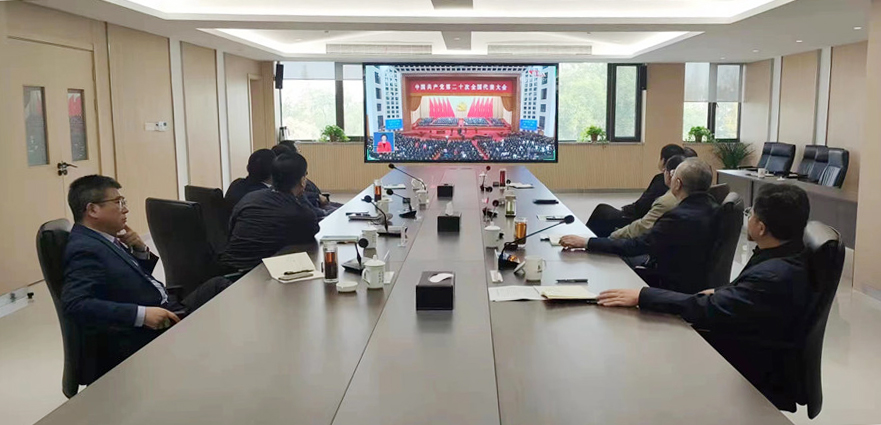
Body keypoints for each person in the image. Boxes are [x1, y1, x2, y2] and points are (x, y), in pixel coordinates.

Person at [597, 184, 812, 410]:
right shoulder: (785, 254)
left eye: (751, 214)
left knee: (648, 340)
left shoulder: (772, 276)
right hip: (752, 337)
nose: (748, 218)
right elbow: (744, 298)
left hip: (751, 360)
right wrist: (721, 292)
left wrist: (643, 296)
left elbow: (706, 308)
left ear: (761, 227)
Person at [63, 175, 232, 381]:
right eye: (118, 202)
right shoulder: (85, 248)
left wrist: (140, 250)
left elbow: (127, 280)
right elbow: (76, 304)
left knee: (218, 286)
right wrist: (142, 315)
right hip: (147, 331)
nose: (125, 209)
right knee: (223, 293)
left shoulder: (102, 239)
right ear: (92, 210)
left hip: (165, 308)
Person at [562, 158, 719, 294]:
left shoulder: (677, 216)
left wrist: (587, 242)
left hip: (667, 282)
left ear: (677, 184)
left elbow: (636, 246)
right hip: (694, 278)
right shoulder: (715, 208)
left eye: (673, 175)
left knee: (609, 258)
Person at [220, 153, 320, 270]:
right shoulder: (300, 214)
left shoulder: (250, 198)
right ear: (302, 181)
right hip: (255, 274)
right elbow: (310, 238)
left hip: (225, 267)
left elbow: (231, 228)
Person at [585, 144, 686, 237]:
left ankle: (588, 241)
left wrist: (627, 211)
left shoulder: (661, 183)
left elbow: (643, 207)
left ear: (663, 161)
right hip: (645, 219)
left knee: (602, 211)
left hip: (637, 220)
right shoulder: (685, 186)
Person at [608, 154, 685, 240]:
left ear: (670, 174)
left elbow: (643, 226)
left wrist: (614, 235)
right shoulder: (690, 196)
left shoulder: (666, 201)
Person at [277, 141, 342, 215]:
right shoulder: (296, 186)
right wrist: (317, 197)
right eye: (298, 150)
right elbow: (310, 211)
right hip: (317, 209)